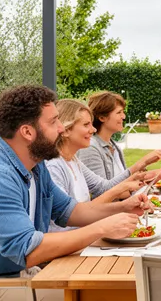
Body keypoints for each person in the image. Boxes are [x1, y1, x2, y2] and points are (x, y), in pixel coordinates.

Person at [0, 85, 153, 301]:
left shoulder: (35, 166)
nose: (62, 128)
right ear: (27, 132)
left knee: (116, 290)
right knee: (97, 295)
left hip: (9, 277)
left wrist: (122, 207)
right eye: (54, 122)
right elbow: (28, 250)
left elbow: (71, 210)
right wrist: (103, 227)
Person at [46, 99, 145, 231]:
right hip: (71, 246)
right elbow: (68, 219)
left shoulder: (73, 160)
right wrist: (123, 190)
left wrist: (130, 185)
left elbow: (102, 186)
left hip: (84, 239)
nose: (93, 130)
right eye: (86, 125)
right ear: (65, 130)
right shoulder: (53, 166)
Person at [78, 90, 161, 185]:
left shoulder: (114, 146)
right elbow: (102, 191)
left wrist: (154, 175)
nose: (123, 116)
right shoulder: (90, 148)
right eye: (119, 112)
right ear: (102, 117)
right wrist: (142, 163)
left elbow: (124, 183)